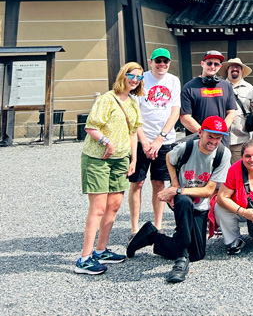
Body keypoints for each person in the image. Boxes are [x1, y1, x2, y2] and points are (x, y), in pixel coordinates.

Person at [127, 116, 231, 283]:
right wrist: (175, 186)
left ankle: (151, 235)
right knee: (183, 201)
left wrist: (177, 189)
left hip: (200, 204)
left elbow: (208, 191)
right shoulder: (187, 147)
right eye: (210, 135)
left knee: (197, 254)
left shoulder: (223, 154)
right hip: (182, 202)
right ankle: (180, 261)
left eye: (218, 137)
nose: (213, 141)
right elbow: (169, 158)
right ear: (200, 132)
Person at [76, 63, 143, 275]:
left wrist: (133, 159)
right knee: (98, 208)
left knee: (114, 206)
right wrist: (107, 141)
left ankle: (101, 249)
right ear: (123, 75)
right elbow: (91, 126)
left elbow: (134, 132)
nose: (134, 80)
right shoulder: (106, 99)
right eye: (131, 75)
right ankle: (84, 258)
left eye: (139, 78)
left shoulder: (133, 102)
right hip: (98, 158)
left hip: (121, 160)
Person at [128, 48, 181, 238]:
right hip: (142, 138)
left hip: (165, 141)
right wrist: (145, 142)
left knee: (159, 183)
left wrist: (160, 139)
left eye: (165, 62)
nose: (162, 65)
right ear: (150, 62)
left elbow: (175, 112)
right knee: (137, 183)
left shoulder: (173, 81)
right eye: (158, 61)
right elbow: (135, 112)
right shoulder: (141, 79)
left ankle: (158, 225)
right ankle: (134, 228)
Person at [180, 50, 236, 148]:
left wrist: (219, 132)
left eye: (216, 64)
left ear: (220, 66)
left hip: (221, 141)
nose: (212, 66)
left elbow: (231, 112)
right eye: (209, 63)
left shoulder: (226, 86)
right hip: (197, 141)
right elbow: (185, 117)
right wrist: (205, 134)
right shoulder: (189, 87)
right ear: (202, 64)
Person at [221, 57, 253, 164]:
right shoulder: (219, 86)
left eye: (238, 67)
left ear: (242, 70)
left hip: (241, 139)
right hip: (221, 139)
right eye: (232, 66)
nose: (235, 69)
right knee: (220, 173)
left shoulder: (250, 89)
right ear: (227, 70)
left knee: (239, 172)